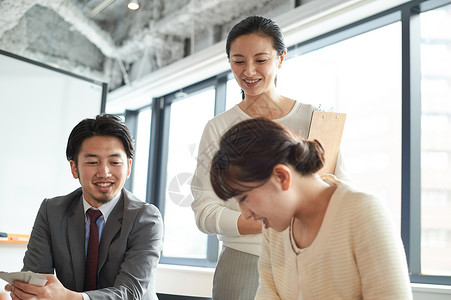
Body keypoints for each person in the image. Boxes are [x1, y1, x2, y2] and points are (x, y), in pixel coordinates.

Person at [191, 15, 348, 299]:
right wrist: (265, 221)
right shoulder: (217, 128)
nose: (249, 71)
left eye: (261, 59)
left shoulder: (317, 117)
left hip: (308, 259)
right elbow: (204, 210)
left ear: (281, 58)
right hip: (243, 260)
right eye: (238, 61)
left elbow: (340, 189)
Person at [210, 117, 413, 299]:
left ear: (281, 176)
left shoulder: (364, 213)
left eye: (244, 197)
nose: (245, 214)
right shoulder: (274, 231)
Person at [4, 114, 163, 300]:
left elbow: (129, 293)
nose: (104, 172)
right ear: (74, 168)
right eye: (92, 162)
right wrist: (29, 293)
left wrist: (70, 298)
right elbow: (36, 278)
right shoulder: (52, 211)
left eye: (114, 162)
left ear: (128, 167)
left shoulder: (146, 218)